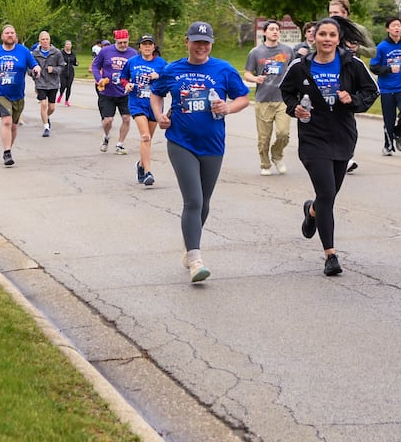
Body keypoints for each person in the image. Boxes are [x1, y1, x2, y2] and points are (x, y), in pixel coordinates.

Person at [150, 22, 250, 283]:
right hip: (181, 142)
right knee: (193, 200)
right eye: (196, 42)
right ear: (187, 42)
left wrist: (227, 107)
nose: (201, 47)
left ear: (211, 44)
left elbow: (243, 98)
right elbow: (156, 94)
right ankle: (196, 259)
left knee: (204, 203)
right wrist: (159, 116)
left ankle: (189, 243)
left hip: (213, 145)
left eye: (206, 42)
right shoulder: (172, 70)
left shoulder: (223, 69)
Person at [279, 18, 379, 276]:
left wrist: (352, 99)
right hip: (313, 138)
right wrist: (295, 109)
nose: (326, 39)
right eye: (322, 34)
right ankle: (330, 255)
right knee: (326, 194)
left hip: (343, 137)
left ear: (338, 38)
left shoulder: (352, 64)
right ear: (314, 37)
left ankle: (311, 210)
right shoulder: (301, 67)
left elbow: (371, 91)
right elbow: (286, 92)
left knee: (328, 196)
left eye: (331, 35)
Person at [328, 0, 376, 173]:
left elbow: (373, 51)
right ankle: (334, 154)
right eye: (330, 12)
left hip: (351, 76)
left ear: (346, 13)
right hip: (330, 74)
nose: (333, 16)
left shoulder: (359, 30)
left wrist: (357, 49)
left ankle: (346, 156)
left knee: (346, 117)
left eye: (336, 13)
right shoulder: (327, 28)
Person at [0, 24, 41, 166]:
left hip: (17, 93)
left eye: (12, 33)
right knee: (7, 121)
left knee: (14, 126)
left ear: (15, 36)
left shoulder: (23, 51)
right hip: (0, 92)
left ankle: (9, 147)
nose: (10, 35)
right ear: (2, 36)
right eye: (7, 33)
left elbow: (34, 64)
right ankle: (7, 152)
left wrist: (36, 69)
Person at [243, 20, 294, 176]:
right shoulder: (256, 52)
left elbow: (294, 70)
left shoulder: (287, 51)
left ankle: (277, 155)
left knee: (283, 134)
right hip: (263, 99)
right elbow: (247, 73)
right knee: (264, 138)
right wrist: (255, 79)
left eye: (277, 29)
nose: (275, 31)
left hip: (282, 99)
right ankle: (265, 163)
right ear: (264, 33)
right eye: (271, 29)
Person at [121, 34, 167, 186]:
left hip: (154, 105)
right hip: (137, 103)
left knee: (148, 139)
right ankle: (148, 172)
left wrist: (158, 76)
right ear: (139, 47)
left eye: (150, 44)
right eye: (144, 44)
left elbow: (169, 81)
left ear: (154, 47)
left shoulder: (161, 63)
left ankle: (140, 165)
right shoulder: (132, 62)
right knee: (145, 136)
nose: (147, 46)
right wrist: (127, 84)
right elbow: (123, 77)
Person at [370, 16, 401, 156]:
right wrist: (388, 70)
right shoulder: (382, 47)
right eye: (393, 25)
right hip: (386, 88)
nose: (396, 28)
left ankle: (397, 133)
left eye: (399, 25)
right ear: (387, 29)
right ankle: (388, 146)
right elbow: (374, 67)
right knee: (389, 119)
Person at [91, 29, 137, 154]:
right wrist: (99, 79)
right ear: (115, 41)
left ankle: (120, 144)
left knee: (126, 118)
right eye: (120, 42)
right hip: (107, 92)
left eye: (125, 42)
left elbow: (136, 70)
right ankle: (106, 136)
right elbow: (95, 66)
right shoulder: (105, 51)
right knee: (108, 120)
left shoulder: (133, 54)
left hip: (125, 93)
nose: (123, 45)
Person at [31, 31, 64, 137]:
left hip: (53, 83)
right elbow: (29, 67)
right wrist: (34, 73)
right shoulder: (35, 54)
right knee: (43, 104)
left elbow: (62, 66)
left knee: (51, 107)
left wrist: (54, 69)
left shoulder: (57, 52)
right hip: (40, 82)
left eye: (47, 39)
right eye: (43, 39)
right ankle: (46, 127)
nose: (45, 41)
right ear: (39, 41)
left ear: (50, 40)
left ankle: (46, 116)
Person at [57, 40, 78, 106]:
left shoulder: (73, 54)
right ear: (65, 45)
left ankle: (66, 100)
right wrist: (62, 63)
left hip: (71, 72)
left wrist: (76, 63)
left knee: (69, 86)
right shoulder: (61, 53)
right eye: (67, 44)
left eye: (70, 44)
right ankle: (60, 95)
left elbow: (74, 62)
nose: (68, 46)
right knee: (63, 85)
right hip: (63, 71)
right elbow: (58, 61)